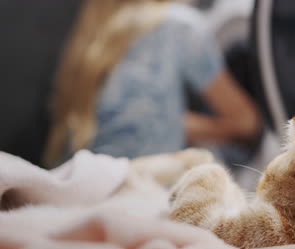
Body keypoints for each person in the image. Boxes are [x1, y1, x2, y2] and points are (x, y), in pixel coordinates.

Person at [42, 0, 261, 167]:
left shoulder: (87, 42)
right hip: (143, 197)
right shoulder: (179, 26)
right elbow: (247, 123)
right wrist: (174, 123)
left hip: (82, 193)